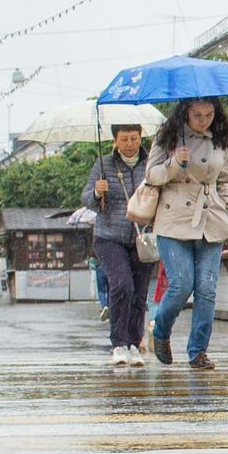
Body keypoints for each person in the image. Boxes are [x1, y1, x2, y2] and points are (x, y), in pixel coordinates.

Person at [144, 98, 228, 369]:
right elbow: (151, 175)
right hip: (174, 220)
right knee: (182, 284)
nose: (203, 120)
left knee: (206, 289)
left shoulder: (218, 137)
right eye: (197, 115)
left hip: (210, 218)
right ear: (185, 113)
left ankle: (198, 351)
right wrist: (174, 163)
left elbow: (223, 178)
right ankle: (160, 332)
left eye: (208, 114)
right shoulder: (168, 137)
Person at [82, 121, 155, 366]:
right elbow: (86, 200)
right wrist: (96, 191)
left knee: (139, 291)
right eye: (124, 139)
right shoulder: (103, 164)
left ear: (140, 137)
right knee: (122, 285)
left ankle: (135, 343)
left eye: (133, 138)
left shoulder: (150, 163)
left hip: (142, 237)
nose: (129, 144)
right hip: (109, 237)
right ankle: (119, 343)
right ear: (115, 140)